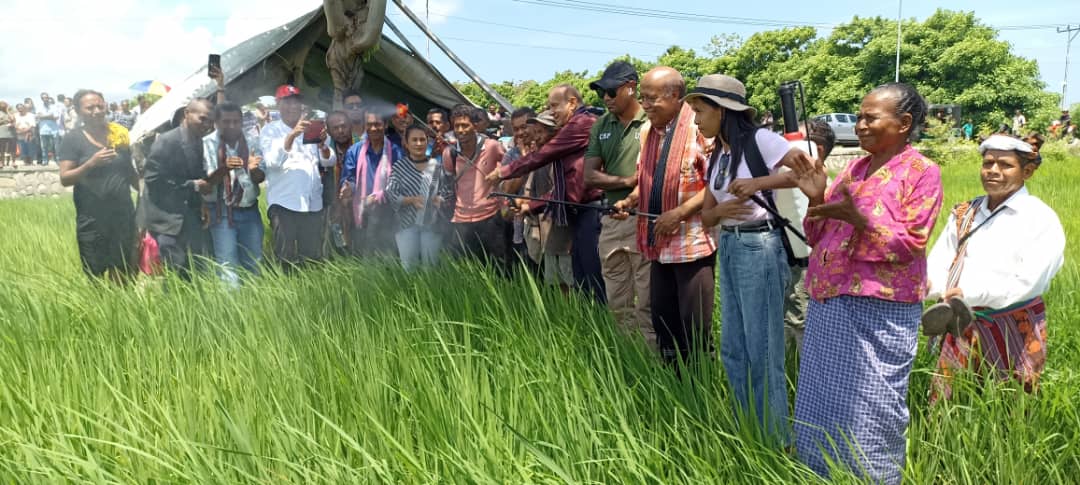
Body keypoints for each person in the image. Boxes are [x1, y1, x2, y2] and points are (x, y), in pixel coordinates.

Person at [791, 82, 943, 485]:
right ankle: (820, 472)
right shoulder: (856, 168)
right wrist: (816, 196)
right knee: (823, 396)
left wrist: (860, 219)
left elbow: (911, 243)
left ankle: (872, 477)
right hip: (829, 300)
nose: (860, 125)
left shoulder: (922, 172)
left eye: (870, 117)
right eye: (858, 117)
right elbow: (818, 232)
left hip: (880, 310)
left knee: (873, 403)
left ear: (904, 122)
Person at [688, 73, 818, 444]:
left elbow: (807, 172)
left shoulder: (762, 140)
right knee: (733, 347)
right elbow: (708, 216)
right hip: (729, 247)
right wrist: (725, 209)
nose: (697, 120)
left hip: (760, 248)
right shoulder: (720, 154)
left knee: (762, 348)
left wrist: (758, 184)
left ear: (722, 110)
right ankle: (747, 428)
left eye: (700, 111)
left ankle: (776, 439)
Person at [925, 135, 1064, 401]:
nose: (993, 171)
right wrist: (928, 286)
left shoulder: (1039, 218)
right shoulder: (965, 212)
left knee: (1011, 407)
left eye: (1005, 164)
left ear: (1027, 171)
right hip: (959, 321)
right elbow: (940, 261)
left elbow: (1030, 281)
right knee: (949, 406)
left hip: (1014, 323)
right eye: (988, 163)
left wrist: (970, 293)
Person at [611, 67, 716, 366]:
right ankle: (674, 389)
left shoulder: (699, 130)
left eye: (651, 98)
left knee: (694, 332)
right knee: (664, 325)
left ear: (674, 96)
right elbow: (648, 180)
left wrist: (680, 213)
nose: (644, 105)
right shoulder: (648, 132)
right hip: (659, 247)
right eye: (642, 98)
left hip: (692, 246)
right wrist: (629, 202)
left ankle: (701, 393)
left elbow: (718, 185)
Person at [491, 84, 606, 303]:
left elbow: (544, 158)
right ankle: (588, 326)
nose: (552, 111)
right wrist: (529, 204)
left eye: (554, 106)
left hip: (590, 209)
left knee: (591, 279)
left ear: (572, 102)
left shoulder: (581, 123)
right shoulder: (572, 129)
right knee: (581, 278)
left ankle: (602, 327)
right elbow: (560, 188)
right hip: (575, 213)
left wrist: (503, 172)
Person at [584, 60, 653, 345]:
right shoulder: (601, 125)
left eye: (611, 92)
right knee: (617, 300)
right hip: (612, 219)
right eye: (602, 93)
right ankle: (628, 356)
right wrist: (626, 182)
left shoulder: (652, 121)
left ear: (631, 88)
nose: (606, 98)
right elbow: (589, 175)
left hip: (644, 217)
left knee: (647, 300)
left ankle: (653, 361)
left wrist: (634, 187)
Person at [57, 89, 139, 281]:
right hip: (92, 219)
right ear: (78, 111)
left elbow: (130, 173)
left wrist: (147, 200)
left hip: (122, 215)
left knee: (124, 273)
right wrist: (90, 163)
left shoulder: (118, 134)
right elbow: (65, 178)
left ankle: (124, 309)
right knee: (95, 275)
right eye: (89, 107)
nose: (96, 111)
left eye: (100, 106)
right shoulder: (73, 139)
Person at [259, 85, 336, 268]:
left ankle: (309, 292)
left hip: (311, 203)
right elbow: (272, 162)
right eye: (287, 102)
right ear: (278, 105)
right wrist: (293, 135)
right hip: (285, 203)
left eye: (296, 102)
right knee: (285, 256)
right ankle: (285, 292)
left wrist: (323, 146)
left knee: (311, 257)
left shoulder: (311, 128)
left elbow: (328, 162)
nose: (292, 106)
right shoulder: (270, 131)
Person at [143, 99, 215, 279]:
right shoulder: (167, 141)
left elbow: (195, 174)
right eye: (203, 119)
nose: (207, 125)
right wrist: (193, 186)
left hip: (188, 214)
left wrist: (201, 204)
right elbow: (152, 179)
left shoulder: (198, 141)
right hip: (166, 219)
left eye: (210, 120)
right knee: (174, 273)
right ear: (186, 114)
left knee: (196, 269)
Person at [782, 119, 835, 349]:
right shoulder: (791, 177)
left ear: (817, 150)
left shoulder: (821, 188)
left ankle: (807, 377)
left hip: (805, 266)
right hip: (786, 262)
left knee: (803, 323)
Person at [202, 102, 265, 287]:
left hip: (250, 210)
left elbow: (260, 178)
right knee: (228, 267)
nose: (231, 126)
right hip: (221, 213)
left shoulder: (252, 141)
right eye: (226, 121)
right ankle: (233, 311)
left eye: (236, 121)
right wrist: (225, 168)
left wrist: (253, 170)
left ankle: (254, 308)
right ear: (216, 122)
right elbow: (206, 183)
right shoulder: (207, 144)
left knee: (253, 264)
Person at [444, 104, 508, 266]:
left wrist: (499, 174)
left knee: (500, 267)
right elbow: (449, 179)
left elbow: (510, 167)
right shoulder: (449, 153)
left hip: (491, 218)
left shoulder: (492, 146)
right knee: (466, 269)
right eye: (456, 126)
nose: (460, 130)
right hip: (461, 220)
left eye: (465, 125)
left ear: (475, 125)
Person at [385, 124, 451, 271]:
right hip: (406, 225)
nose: (419, 143)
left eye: (422, 139)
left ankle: (429, 294)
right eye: (414, 140)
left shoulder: (437, 166)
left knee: (431, 268)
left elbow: (447, 190)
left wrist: (439, 199)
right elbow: (391, 193)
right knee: (409, 268)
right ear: (406, 144)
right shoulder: (399, 167)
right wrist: (411, 200)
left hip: (432, 224)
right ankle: (410, 294)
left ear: (428, 142)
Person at [340, 109, 402, 256]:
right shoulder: (355, 151)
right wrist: (348, 188)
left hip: (388, 213)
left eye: (377, 124)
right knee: (363, 255)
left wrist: (379, 195)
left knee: (387, 256)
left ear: (385, 125)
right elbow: (349, 178)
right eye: (369, 124)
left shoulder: (395, 151)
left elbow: (400, 181)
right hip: (362, 213)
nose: (373, 128)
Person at [323, 110, 356, 254]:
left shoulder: (361, 146)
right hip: (332, 207)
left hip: (358, 206)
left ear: (350, 126)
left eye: (343, 126)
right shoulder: (324, 150)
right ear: (328, 131)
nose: (340, 131)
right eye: (335, 128)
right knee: (337, 245)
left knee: (358, 246)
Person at [37, 94, 63, 164]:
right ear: (42, 99)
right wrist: (50, 116)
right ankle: (45, 160)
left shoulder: (54, 107)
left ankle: (57, 160)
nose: (45, 99)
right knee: (44, 146)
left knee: (56, 146)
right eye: (43, 98)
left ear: (48, 98)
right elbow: (39, 117)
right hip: (43, 129)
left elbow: (56, 117)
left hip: (54, 129)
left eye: (46, 97)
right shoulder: (39, 107)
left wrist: (44, 116)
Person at [0, 102, 14, 167]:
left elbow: (12, 119)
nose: (3, 106)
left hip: (10, 132)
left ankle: (11, 162)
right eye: (2, 105)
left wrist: (8, 111)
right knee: (1, 149)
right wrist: (4, 121)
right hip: (1, 132)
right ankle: (2, 162)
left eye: (5, 105)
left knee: (10, 148)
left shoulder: (10, 112)